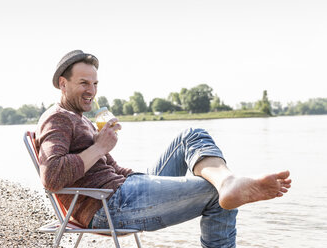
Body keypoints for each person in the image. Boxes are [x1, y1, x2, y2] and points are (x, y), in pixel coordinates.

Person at [36, 50, 292, 247]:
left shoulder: (80, 118)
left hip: (120, 190)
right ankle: (223, 187)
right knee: (212, 194)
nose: (91, 90)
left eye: (94, 83)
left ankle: (227, 181)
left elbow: (110, 169)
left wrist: (137, 175)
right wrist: (99, 147)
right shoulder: (57, 118)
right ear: (62, 84)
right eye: (84, 83)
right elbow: (51, 177)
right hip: (106, 206)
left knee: (190, 135)